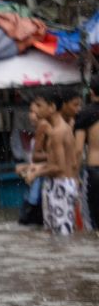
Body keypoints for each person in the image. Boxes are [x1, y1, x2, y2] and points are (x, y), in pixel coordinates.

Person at [21, 89, 80, 236]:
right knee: (54, 235)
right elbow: (68, 162)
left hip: (60, 185)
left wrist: (37, 173)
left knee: (62, 236)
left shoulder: (58, 132)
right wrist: (37, 168)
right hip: (59, 184)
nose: (35, 109)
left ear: (52, 108)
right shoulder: (62, 129)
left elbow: (59, 167)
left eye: (39, 105)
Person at [73, 79, 99, 230]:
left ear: (91, 92)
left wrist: (75, 176)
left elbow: (78, 149)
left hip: (95, 171)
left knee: (92, 224)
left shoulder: (85, 113)